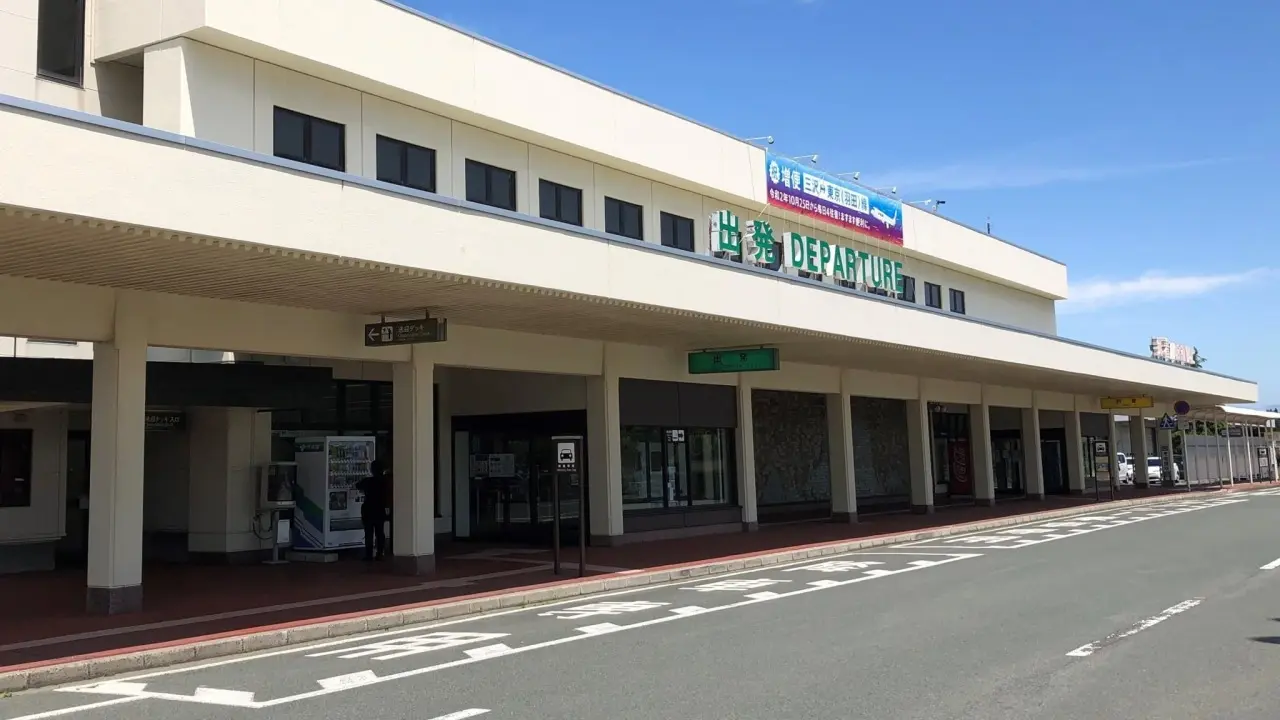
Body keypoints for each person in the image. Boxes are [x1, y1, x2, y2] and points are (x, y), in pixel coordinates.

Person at [358, 460, 390, 561]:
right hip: (380, 510)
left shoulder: (368, 481)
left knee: (368, 533)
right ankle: (380, 553)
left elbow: (358, 485)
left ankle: (369, 555)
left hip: (368, 509)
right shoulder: (385, 481)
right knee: (380, 532)